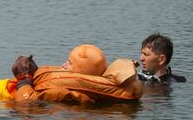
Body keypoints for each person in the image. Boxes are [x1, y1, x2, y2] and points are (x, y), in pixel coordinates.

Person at [7, 43, 142, 105]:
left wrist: (24, 80)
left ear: (82, 70)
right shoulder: (71, 76)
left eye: (70, 63)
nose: (65, 64)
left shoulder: (78, 90)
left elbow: (27, 103)